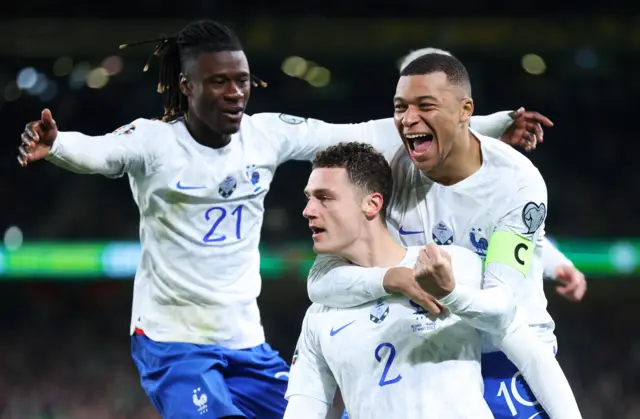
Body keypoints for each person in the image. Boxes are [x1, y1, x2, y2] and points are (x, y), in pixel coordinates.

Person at [17, 19, 556, 419]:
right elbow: (101, 154)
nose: (235, 93)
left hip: (244, 339)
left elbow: (368, 131)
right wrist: (57, 143)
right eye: (219, 83)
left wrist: (487, 123)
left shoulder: (266, 133)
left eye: (242, 81)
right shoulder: (155, 143)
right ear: (187, 88)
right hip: (172, 340)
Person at [306, 53, 581, 418]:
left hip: (504, 357)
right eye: (400, 107)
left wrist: (449, 292)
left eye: (425, 106)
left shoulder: (515, 182)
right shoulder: (388, 172)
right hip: (429, 350)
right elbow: (321, 281)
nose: (408, 119)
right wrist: (392, 279)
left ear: (465, 110)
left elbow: (502, 308)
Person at [399, 47, 587, 303]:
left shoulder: (503, 174)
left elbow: (515, 230)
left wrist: (556, 264)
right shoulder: (391, 167)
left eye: (427, 103)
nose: (412, 117)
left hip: (479, 320)